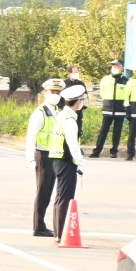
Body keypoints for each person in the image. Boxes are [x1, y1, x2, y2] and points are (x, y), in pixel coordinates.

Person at [43, 84, 87, 237]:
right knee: (65, 198)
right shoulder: (69, 119)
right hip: (66, 161)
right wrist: (81, 162)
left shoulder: (62, 115)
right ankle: (61, 233)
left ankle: (58, 232)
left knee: (60, 197)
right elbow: (72, 144)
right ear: (78, 102)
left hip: (58, 160)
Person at [27, 79, 65, 237]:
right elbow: (31, 136)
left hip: (54, 156)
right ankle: (38, 227)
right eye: (52, 92)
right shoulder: (40, 112)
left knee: (48, 191)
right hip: (43, 155)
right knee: (43, 192)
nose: (55, 95)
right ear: (45, 93)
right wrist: (30, 158)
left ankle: (41, 224)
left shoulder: (57, 112)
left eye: (58, 92)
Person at [91, 60, 131, 158]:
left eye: (117, 66)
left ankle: (114, 151)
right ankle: (97, 151)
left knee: (117, 132)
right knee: (103, 131)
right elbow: (102, 92)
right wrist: (107, 102)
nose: (115, 68)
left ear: (122, 68)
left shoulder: (126, 81)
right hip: (108, 108)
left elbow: (128, 95)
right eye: (113, 66)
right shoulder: (105, 79)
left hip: (120, 109)